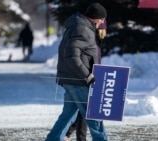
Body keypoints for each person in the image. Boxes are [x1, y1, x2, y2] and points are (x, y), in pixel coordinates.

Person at [45, 3, 108, 141]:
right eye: (102, 19)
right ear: (96, 18)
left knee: (67, 116)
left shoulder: (79, 26)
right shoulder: (83, 30)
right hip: (78, 81)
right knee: (94, 116)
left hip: (72, 79)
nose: (103, 22)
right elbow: (72, 56)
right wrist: (87, 75)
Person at [64, 20, 107, 141]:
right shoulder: (88, 35)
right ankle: (71, 134)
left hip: (91, 75)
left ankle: (68, 133)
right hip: (85, 76)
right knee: (87, 110)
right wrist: (87, 74)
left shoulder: (96, 39)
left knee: (85, 109)